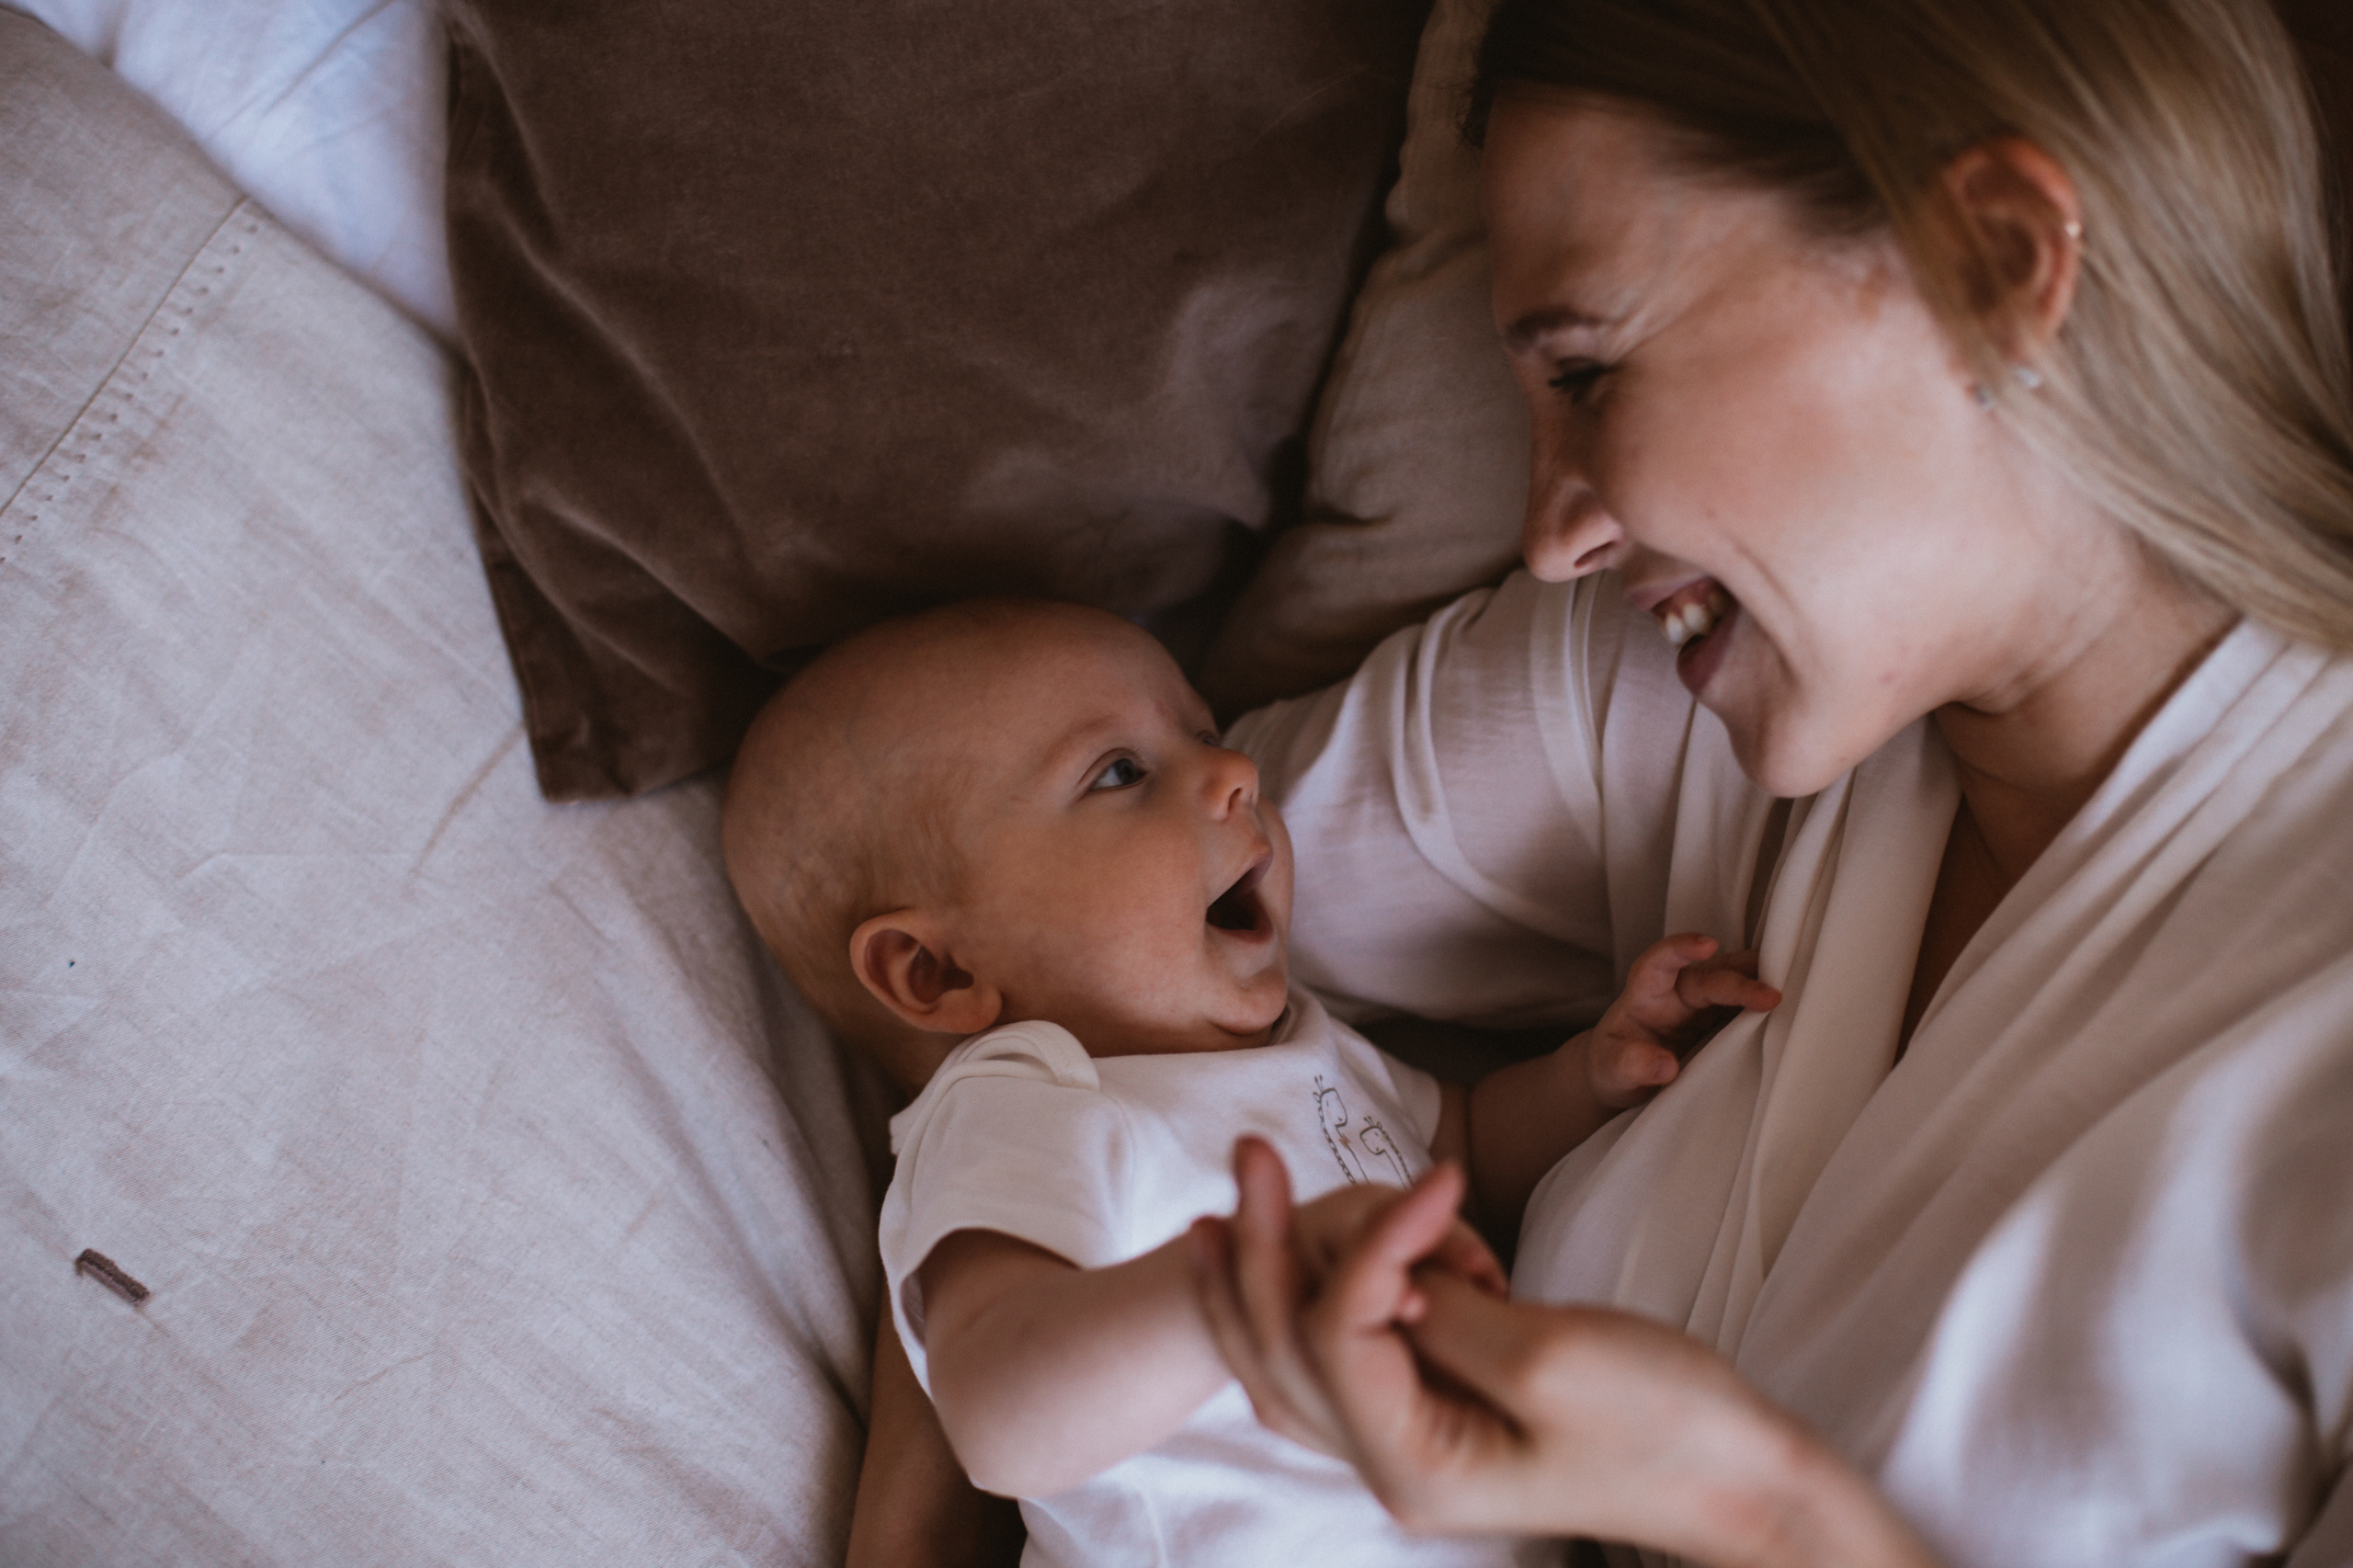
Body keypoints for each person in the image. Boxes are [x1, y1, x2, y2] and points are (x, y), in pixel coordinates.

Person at [1185, 0, 2353, 1564]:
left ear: (1999, 264)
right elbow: (1061, 883)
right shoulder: (1677, 689)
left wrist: (1755, 1510)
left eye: (1589, 373)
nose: (1552, 533)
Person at [720, 599, 1781, 1568]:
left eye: (1203, 728)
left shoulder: (1295, 1043)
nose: (1233, 771)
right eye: (1117, 773)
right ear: (937, 972)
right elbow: (996, 1409)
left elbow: (1455, 1147)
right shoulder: (1023, 1100)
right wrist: (1223, 1296)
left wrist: (1585, 1074)